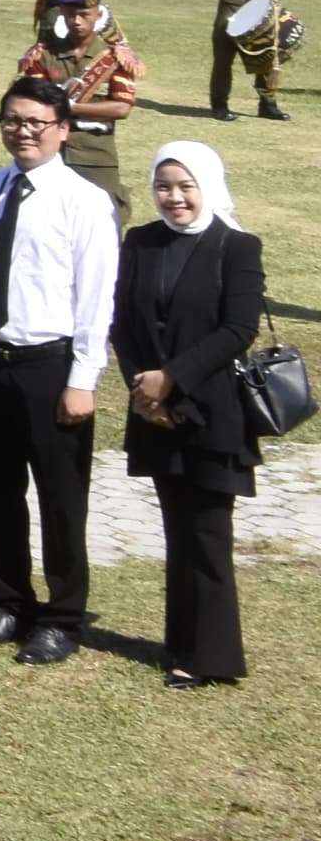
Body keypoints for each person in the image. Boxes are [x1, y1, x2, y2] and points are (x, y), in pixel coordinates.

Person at [0, 81, 120, 665]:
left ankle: (63, 616)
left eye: (36, 122)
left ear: (63, 129)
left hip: (49, 364)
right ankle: (8, 601)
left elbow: (97, 297)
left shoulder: (84, 200)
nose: (22, 131)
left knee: (60, 497)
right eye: (12, 120)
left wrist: (83, 379)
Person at [115, 141, 265, 688]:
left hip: (212, 412)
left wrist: (171, 379)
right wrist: (145, 390)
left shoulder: (237, 246)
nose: (174, 197)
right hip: (154, 411)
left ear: (208, 186)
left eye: (185, 186)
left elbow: (238, 329)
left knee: (207, 533)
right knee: (177, 531)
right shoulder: (141, 241)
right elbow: (123, 322)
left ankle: (213, 657)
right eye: (164, 186)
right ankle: (182, 642)